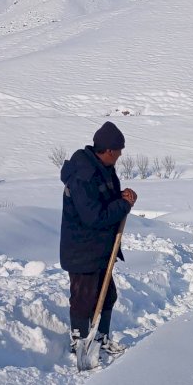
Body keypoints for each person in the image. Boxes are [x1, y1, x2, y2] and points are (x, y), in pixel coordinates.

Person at [60, 121, 137, 355]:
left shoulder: (102, 167)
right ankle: (80, 343)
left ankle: (101, 338)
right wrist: (123, 205)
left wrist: (121, 196)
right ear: (109, 150)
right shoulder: (84, 175)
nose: (121, 155)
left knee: (108, 295)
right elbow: (94, 216)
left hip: (100, 248)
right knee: (84, 299)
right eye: (119, 151)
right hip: (83, 249)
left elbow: (105, 199)